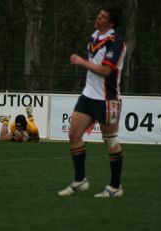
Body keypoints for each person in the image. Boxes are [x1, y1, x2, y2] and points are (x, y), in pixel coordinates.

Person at [58, 3, 126, 198]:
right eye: (98, 15)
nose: (98, 18)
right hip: (88, 96)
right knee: (73, 134)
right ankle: (80, 181)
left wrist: (81, 62)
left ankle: (115, 186)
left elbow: (106, 71)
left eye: (102, 17)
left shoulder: (116, 42)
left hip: (107, 100)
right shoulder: (94, 37)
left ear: (111, 22)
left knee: (110, 141)